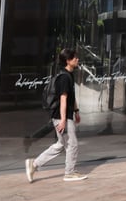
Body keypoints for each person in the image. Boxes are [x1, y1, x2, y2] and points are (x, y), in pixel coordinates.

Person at [25, 48, 88, 183]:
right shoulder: (64, 77)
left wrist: (76, 111)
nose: (77, 59)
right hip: (61, 116)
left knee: (60, 145)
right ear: (68, 61)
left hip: (65, 115)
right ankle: (69, 173)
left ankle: (34, 164)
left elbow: (71, 97)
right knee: (72, 144)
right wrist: (64, 119)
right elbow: (63, 99)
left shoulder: (69, 75)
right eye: (75, 58)